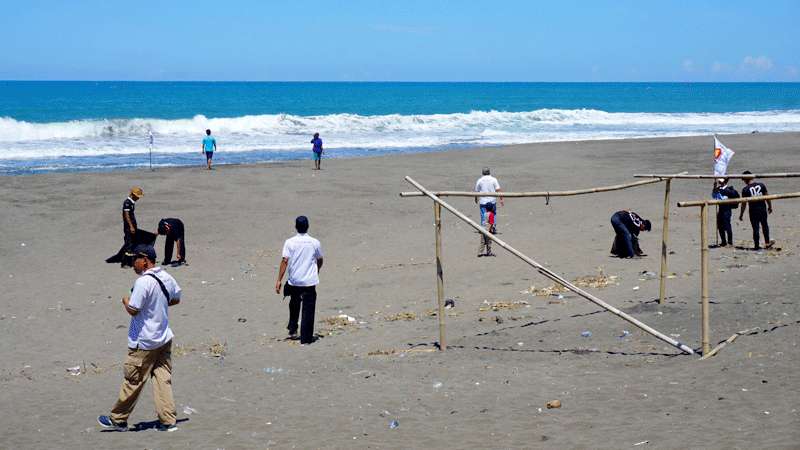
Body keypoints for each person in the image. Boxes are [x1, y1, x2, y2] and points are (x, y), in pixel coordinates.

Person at [98, 245, 182, 432]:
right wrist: (158, 305)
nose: (133, 263)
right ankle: (168, 420)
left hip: (144, 341)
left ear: (145, 260)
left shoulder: (144, 282)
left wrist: (125, 301)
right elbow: (176, 298)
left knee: (133, 380)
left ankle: (118, 419)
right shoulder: (166, 276)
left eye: (135, 259)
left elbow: (134, 309)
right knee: (163, 379)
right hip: (163, 337)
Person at [274, 216, 324, 344]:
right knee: (308, 308)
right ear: (307, 226)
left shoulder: (290, 242)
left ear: (296, 227)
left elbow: (285, 260)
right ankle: (306, 338)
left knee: (294, 304)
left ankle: (292, 329)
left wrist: (279, 280)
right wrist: (316, 270)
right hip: (309, 281)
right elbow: (320, 259)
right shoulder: (315, 242)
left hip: (295, 280)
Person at [739, 171, 774, 250]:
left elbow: (744, 204)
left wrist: (741, 214)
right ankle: (767, 242)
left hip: (753, 210)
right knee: (765, 225)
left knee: (755, 228)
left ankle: (756, 245)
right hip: (762, 208)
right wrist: (770, 206)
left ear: (745, 179)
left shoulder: (745, 189)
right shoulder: (761, 185)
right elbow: (767, 197)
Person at [711, 178, 739, 248]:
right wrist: (714, 187)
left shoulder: (729, 189)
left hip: (727, 209)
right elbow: (714, 196)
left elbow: (728, 197)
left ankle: (730, 242)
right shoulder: (718, 189)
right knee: (720, 226)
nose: (720, 182)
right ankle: (723, 241)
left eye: (721, 181)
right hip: (721, 209)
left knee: (727, 225)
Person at [122, 187, 143, 259]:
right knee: (129, 240)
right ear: (133, 195)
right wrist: (131, 226)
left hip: (132, 223)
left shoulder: (132, 202)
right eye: (137, 196)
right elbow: (126, 215)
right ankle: (128, 257)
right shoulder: (127, 203)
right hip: (129, 225)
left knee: (134, 239)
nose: (138, 198)